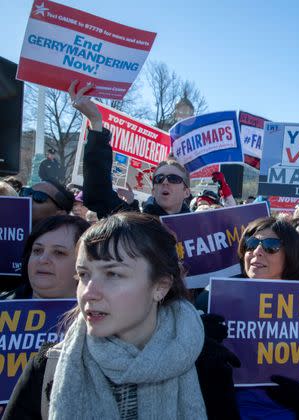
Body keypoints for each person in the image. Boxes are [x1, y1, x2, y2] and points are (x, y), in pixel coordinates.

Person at [4, 212, 238, 419]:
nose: (89, 292)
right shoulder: (47, 367)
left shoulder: (208, 366)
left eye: (113, 274)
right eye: (83, 274)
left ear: (160, 286)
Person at [230, 216, 299, 419]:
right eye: (251, 244)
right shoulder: (217, 300)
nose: (257, 251)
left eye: (270, 246)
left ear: (290, 255)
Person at [68, 81, 192, 219]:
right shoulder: (136, 222)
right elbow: (99, 193)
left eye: (173, 178)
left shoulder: (202, 228)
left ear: (186, 192)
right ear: (153, 190)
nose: (165, 182)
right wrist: (96, 123)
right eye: (159, 178)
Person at [0, 215, 89, 300]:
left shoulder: (98, 313)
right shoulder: (3, 304)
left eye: (58, 252)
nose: (42, 260)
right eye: (37, 250)